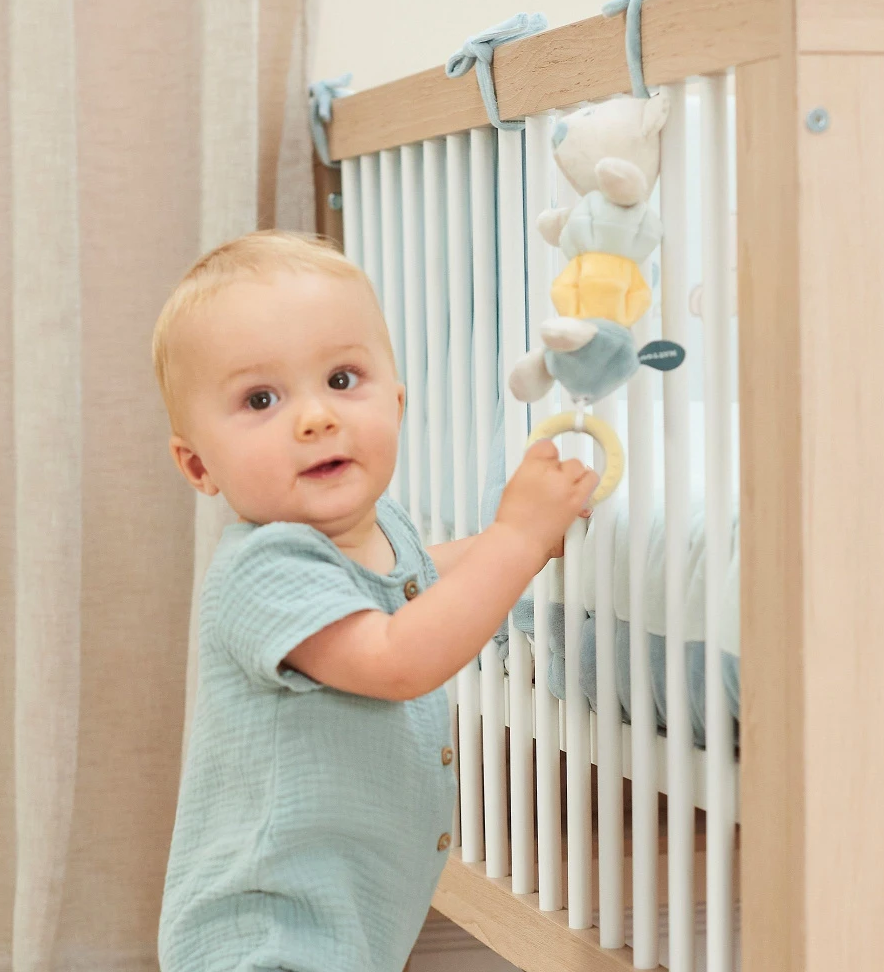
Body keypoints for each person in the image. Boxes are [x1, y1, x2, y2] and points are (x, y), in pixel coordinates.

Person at [151, 230, 598, 972]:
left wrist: (520, 543)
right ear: (199, 465)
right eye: (261, 399)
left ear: (396, 401)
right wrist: (515, 539)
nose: (315, 418)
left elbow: (417, 582)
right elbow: (395, 658)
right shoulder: (263, 568)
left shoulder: (381, 527)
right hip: (267, 937)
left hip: (344, 927)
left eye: (341, 379)